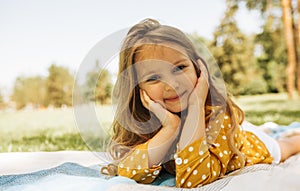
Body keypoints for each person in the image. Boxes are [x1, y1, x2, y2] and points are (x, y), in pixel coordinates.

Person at [101, 18, 300, 188]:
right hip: (227, 131)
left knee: (285, 146)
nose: (172, 84)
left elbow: (194, 181)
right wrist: (170, 128)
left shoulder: (217, 116)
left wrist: (195, 106)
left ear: (199, 69)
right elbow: (127, 172)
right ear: (137, 89)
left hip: (248, 144)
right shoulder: (144, 121)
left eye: (179, 67)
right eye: (153, 77)